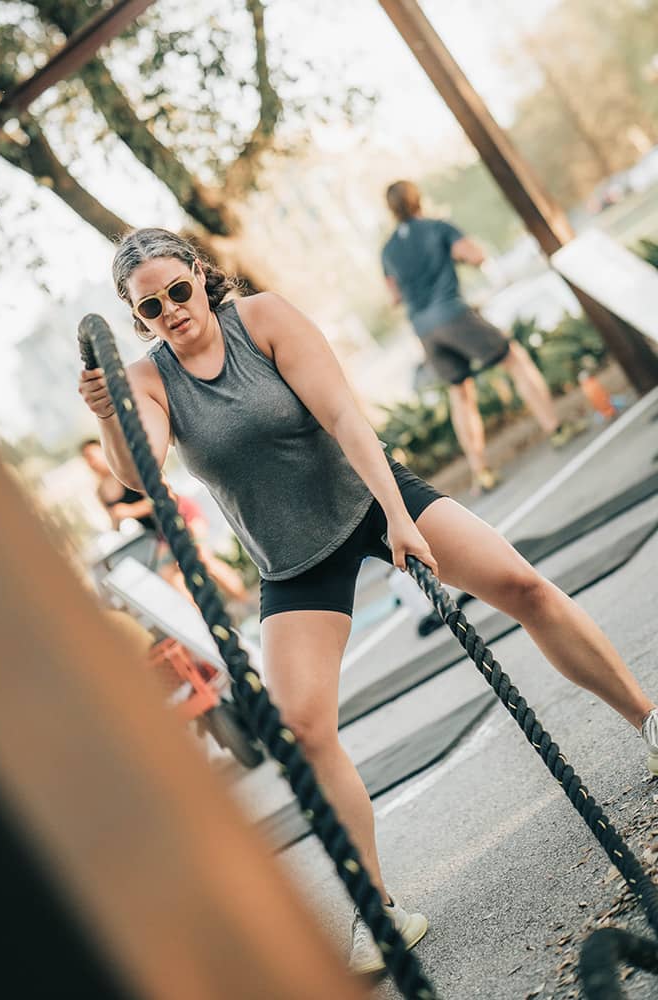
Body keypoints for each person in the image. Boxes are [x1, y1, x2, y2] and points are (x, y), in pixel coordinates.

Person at [78, 227, 658, 977]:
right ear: (138, 316)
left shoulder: (263, 321)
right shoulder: (149, 378)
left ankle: (649, 720)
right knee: (305, 727)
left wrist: (400, 518)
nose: (172, 311)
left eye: (179, 290)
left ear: (198, 273)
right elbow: (139, 474)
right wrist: (105, 410)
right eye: (151, 307)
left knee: (523, 586)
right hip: (292, 560)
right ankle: (378, 909)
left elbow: (347, 418)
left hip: (373, 500)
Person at [381, 180, 582, 495]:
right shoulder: (437, 226)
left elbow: (394, 297)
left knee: (460, 392)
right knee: (514, 358)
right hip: (452, 314)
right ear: (418, 200)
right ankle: (554, 427)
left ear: (391, 210)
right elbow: (475, 255)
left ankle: (482, 473)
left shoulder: (388, 250)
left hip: (425, 330)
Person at [81, 437, 248, 603]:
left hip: (181, 516)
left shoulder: (131, 470)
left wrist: (130, 511)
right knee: (170, 577)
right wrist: (116, 520)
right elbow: (116, 521)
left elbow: (162, 498)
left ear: (106, 452)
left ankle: (246, 603)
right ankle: (206, 625)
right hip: (162, 534)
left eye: (92, 456)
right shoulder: (102, 492)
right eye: (87, 460)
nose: (91, 462)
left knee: (203, 559)